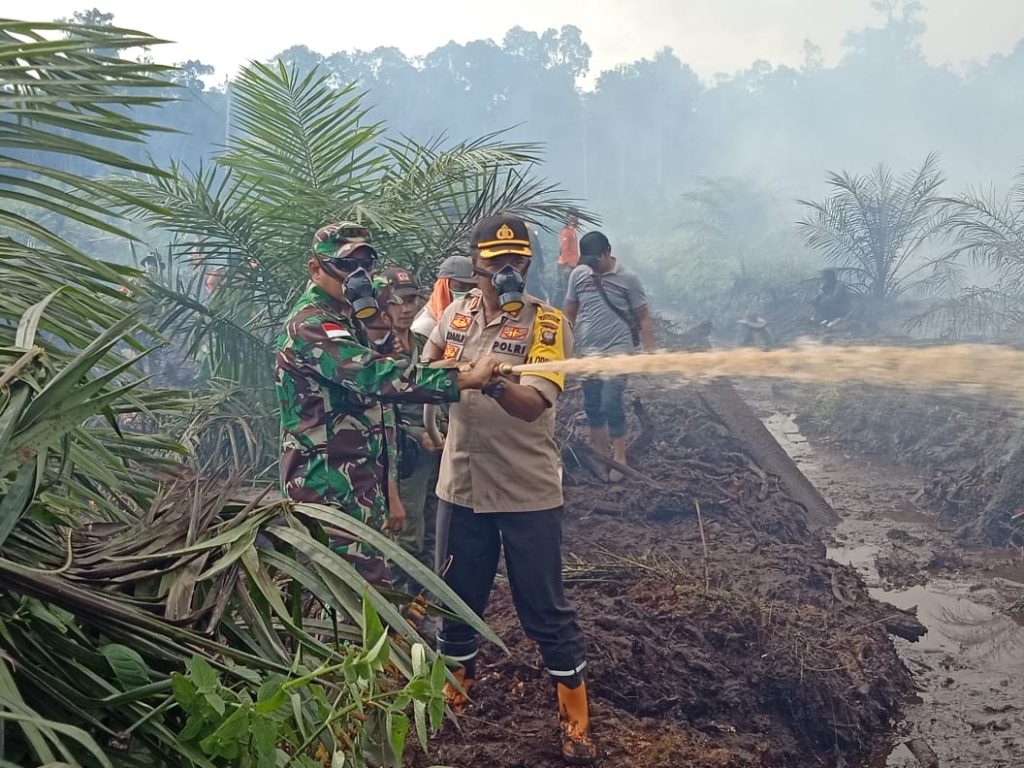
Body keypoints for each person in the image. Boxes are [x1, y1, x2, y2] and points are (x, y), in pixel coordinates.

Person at [423, 213, 595, 765]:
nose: (506, 269)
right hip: (461, 485)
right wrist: (447, 376)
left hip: (526, 492)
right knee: (456, 597)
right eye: (495, 261)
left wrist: (494, 380)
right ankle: (457, 691)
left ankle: (575, 718)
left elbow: (531, 406)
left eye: (516, 260)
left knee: (544, 607)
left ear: (528, 263)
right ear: (474, 264)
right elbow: (425, 373)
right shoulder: (455, 314)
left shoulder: (546, 326)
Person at [274, 223, 496, 584]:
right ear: (316, 269)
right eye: (346, 267)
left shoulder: (348, 318)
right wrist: (462, 378)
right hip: (326, 483)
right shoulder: (312, 325)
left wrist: (389, 486)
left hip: (361, 481)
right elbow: (379, 379)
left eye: (367, 265)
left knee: (370, 586)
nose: (358, 276)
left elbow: (381, 413)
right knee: (349, 593)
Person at [372, 267, 447, 599]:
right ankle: (402, 606)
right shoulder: (376, 352)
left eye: (411, 299)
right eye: (396, 301)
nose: (405, 308)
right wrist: (417, 433)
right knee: (407, 535)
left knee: (434, 531)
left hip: (437, 452)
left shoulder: (422, 342)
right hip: (404, 458)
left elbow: (439, 392)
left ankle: (424, 602)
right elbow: (380, 409)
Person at [564, 230, 654, 482]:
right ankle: (599, 452)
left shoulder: (629, 279)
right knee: (592, 404)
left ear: (608, 252)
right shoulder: (578, 276)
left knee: (611, 402)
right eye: (588, 262)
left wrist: (650, 353)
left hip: (618, 351)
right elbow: (569, 313)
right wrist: (564, 349)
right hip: (587, 352)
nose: (592, 267)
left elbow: (643, 317)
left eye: (596, 261)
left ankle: (620, 457)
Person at [411, 254, 475, 338]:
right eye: (460, 287)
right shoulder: (424, 328)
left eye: (472, 287)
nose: (468, 293)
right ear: (443, 288)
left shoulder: (473, 318)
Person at [556, 209, 580, 307]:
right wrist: (567, 266)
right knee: (567, 292)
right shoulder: (566, 231)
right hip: (567, 266)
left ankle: (556, 308)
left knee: (562, 291)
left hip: (572, 265)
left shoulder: (572, 231)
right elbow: (564, 249)